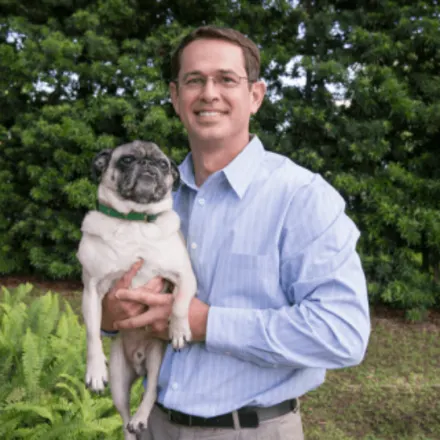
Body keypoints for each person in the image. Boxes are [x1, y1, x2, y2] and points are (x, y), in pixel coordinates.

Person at [101, 25, 371, 440]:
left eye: (227, 79)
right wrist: (111, 315)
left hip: (252, 431)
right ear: (176, 97)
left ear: (256, 96)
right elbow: (113, 307)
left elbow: (343, 333)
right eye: (194, 80)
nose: (209, 93)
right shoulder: (150, 202)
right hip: (151, 427)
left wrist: (207, 322)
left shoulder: (301, 198)